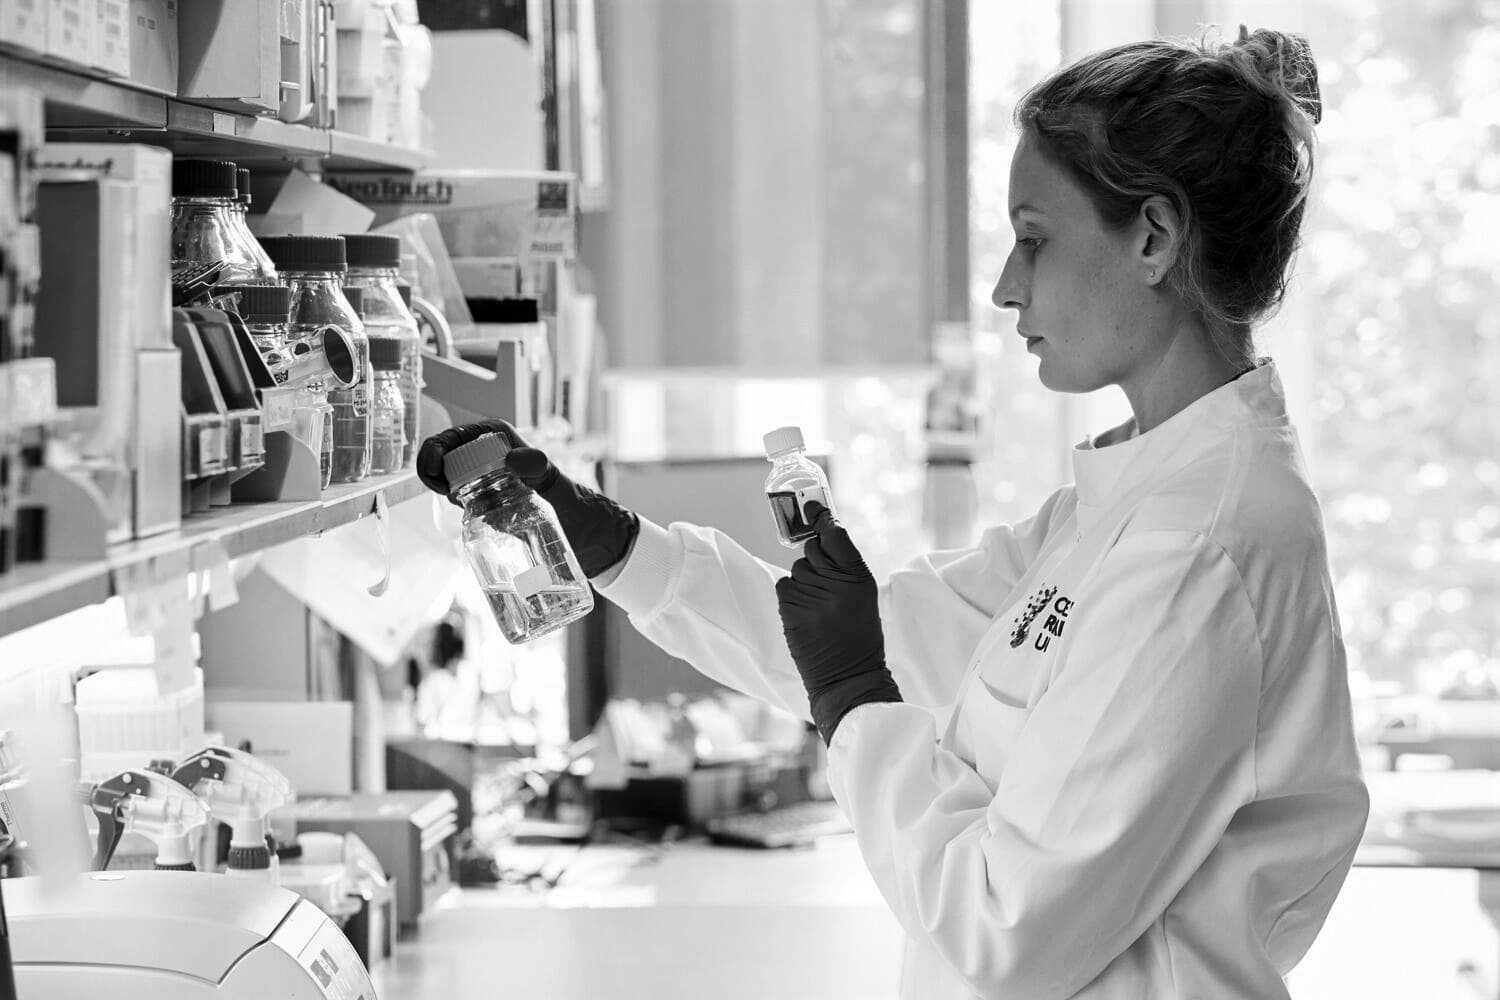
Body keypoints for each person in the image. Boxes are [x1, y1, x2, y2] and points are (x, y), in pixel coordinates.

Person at [418, 25, 1369, 1000]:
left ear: (1155, 238)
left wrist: (853, 693)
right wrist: (616, 547)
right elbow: (897, 646)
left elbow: (1008, 928)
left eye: (1035, 239)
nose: (1006, 286)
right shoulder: (1128, 505)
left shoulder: (1196, 545)